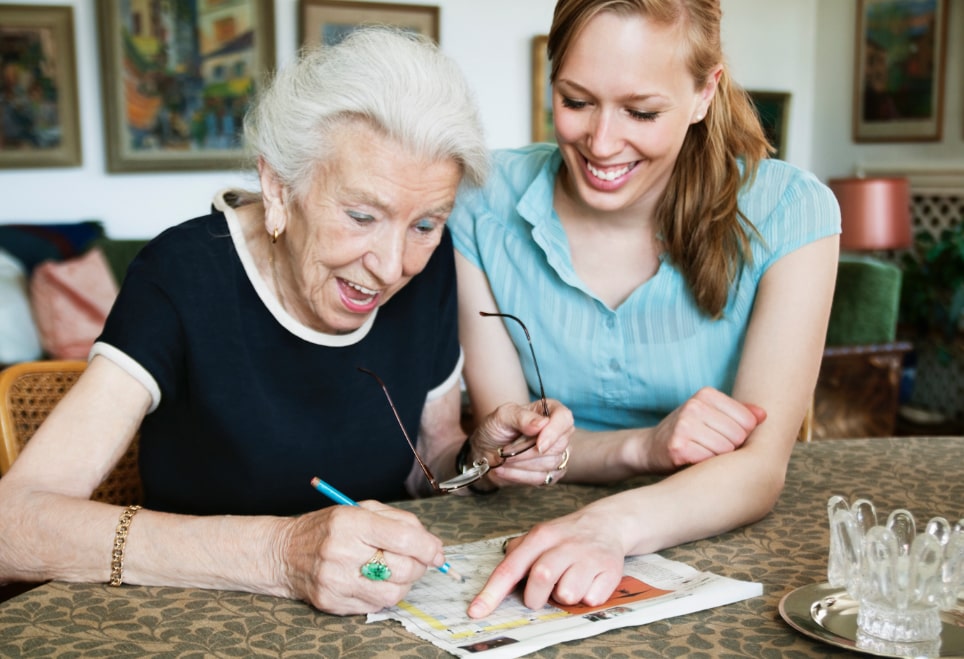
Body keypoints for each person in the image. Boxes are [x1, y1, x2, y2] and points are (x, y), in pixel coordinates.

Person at [0, 28, 572, 616]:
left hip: (370, 613)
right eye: (360, 215)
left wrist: (479, 457)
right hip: (197, 617)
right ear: (278, 187)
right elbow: (11, 527)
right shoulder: (183, 273)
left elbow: (429, 453)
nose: (393, 265)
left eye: (425, 224)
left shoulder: (430, 268)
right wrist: (280, 554)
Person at [449, 0, 840, 618]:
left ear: (704, 94)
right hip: (527, 527)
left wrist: (607, 526)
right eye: (576, 101)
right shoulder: (481, 203)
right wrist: (646, 448)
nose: (601, 144)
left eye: (641, 111)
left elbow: (759, 470)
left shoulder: (792, 211)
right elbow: (518, 454)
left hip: (717, 545)